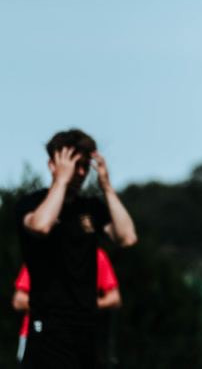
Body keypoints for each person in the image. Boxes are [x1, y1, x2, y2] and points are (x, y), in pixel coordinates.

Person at [16, 128, 138, 369]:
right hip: (49, 328)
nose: (81, 173)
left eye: (84, 166)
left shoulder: (91, 208)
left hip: (87, 327)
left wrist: (107, 187)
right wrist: (61, 181)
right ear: (53, 165)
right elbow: (41, 225)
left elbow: (127, 237)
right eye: (74, 165)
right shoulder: (31, 203)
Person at [13, 249, 121, 364]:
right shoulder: (42, 254)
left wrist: (84, 304)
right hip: (38, 336)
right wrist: (57, 305)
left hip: (79, 339)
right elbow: (19, 301)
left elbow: (115, 298)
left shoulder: (96, 256)